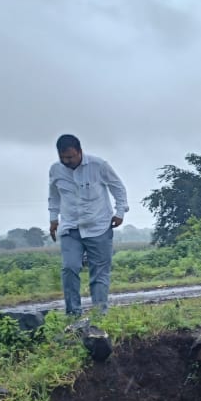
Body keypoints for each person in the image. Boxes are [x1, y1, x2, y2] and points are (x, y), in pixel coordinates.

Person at [48, 134, 128, 316]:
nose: (66, 161)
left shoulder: (98, 165)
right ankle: (73, 314)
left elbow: (118, 187)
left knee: (99, 273)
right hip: (70, 227)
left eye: (70, 157)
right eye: (62, 157)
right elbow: (53, 195)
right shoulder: (55, 170)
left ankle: (99, 315)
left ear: (80, 152)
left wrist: (120, 212)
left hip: (99, 226)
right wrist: (53, 219)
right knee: (69, 267)